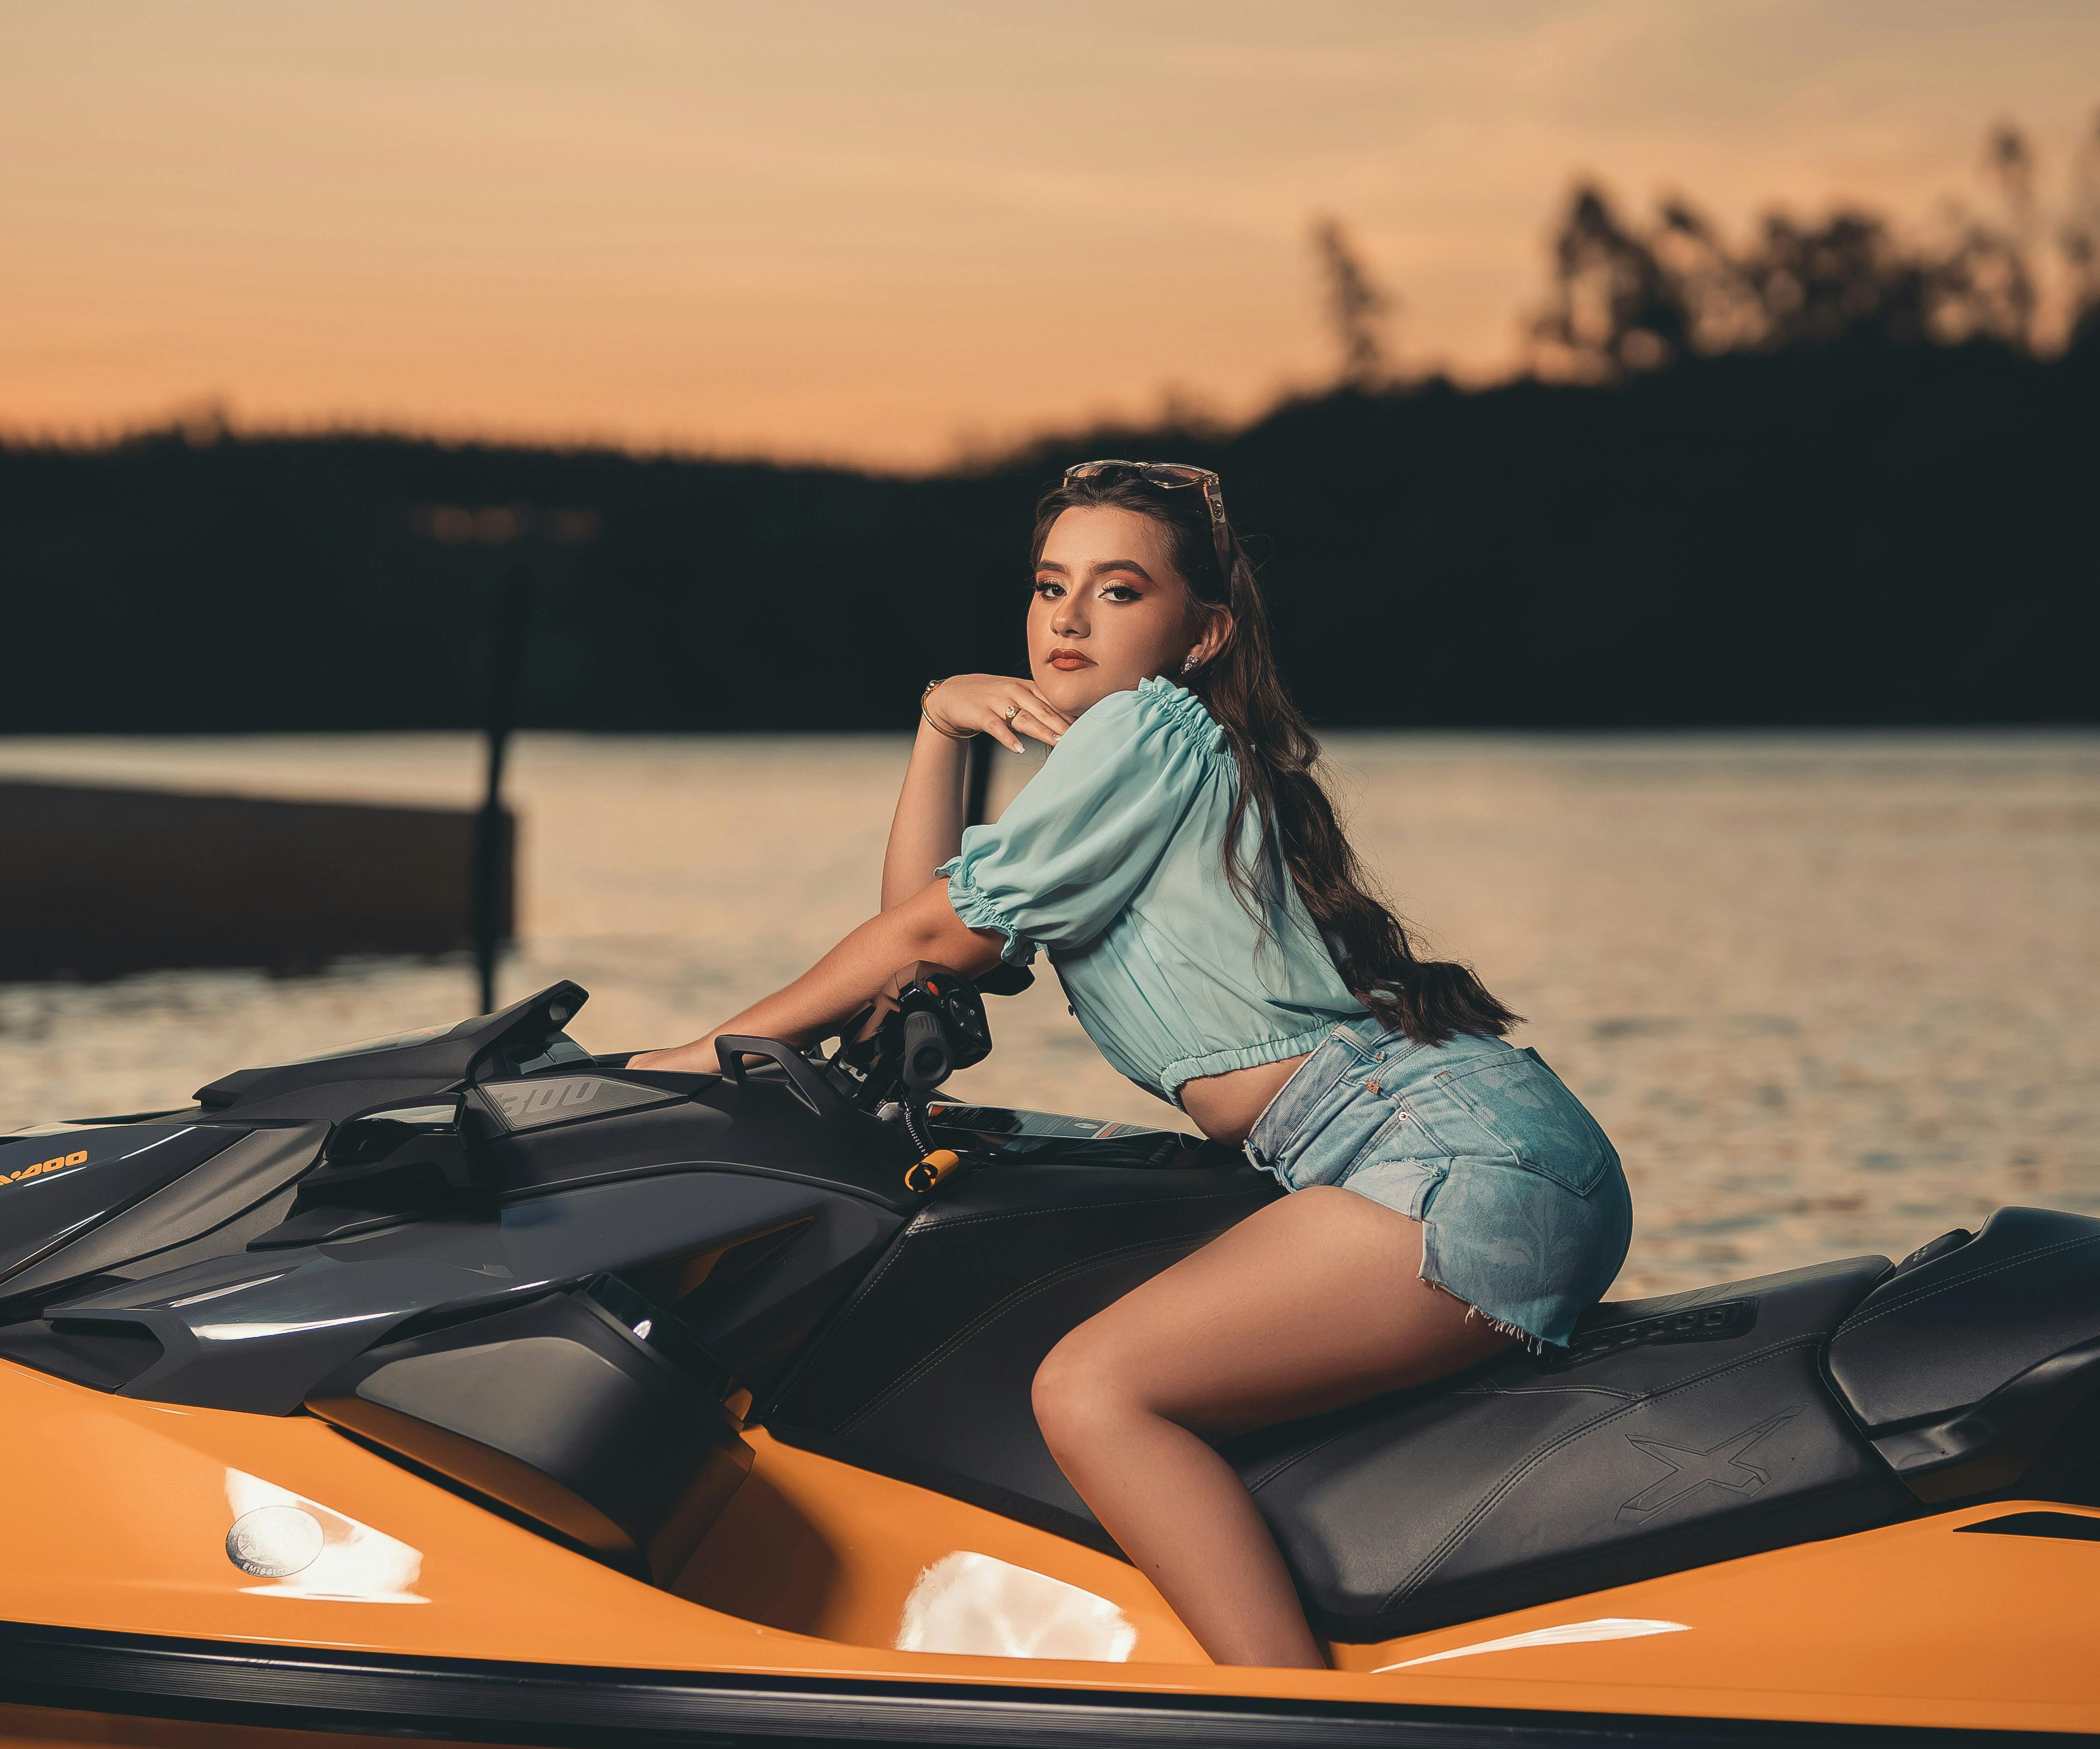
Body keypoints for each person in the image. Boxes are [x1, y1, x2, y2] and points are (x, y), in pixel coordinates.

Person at [630, 461, 1633, 1666]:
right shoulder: (1142, 762)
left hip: (1436, 1149)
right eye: (1052, 586)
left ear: (1200, 632)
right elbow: (923, 945)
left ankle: (1312, 1745)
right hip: (1448, 1137)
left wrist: (708, 1054)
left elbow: (931, 933)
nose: (1068, 616)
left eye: (1117, 589)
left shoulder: (1145, 729)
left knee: (1093, 1390)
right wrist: (940, 723)